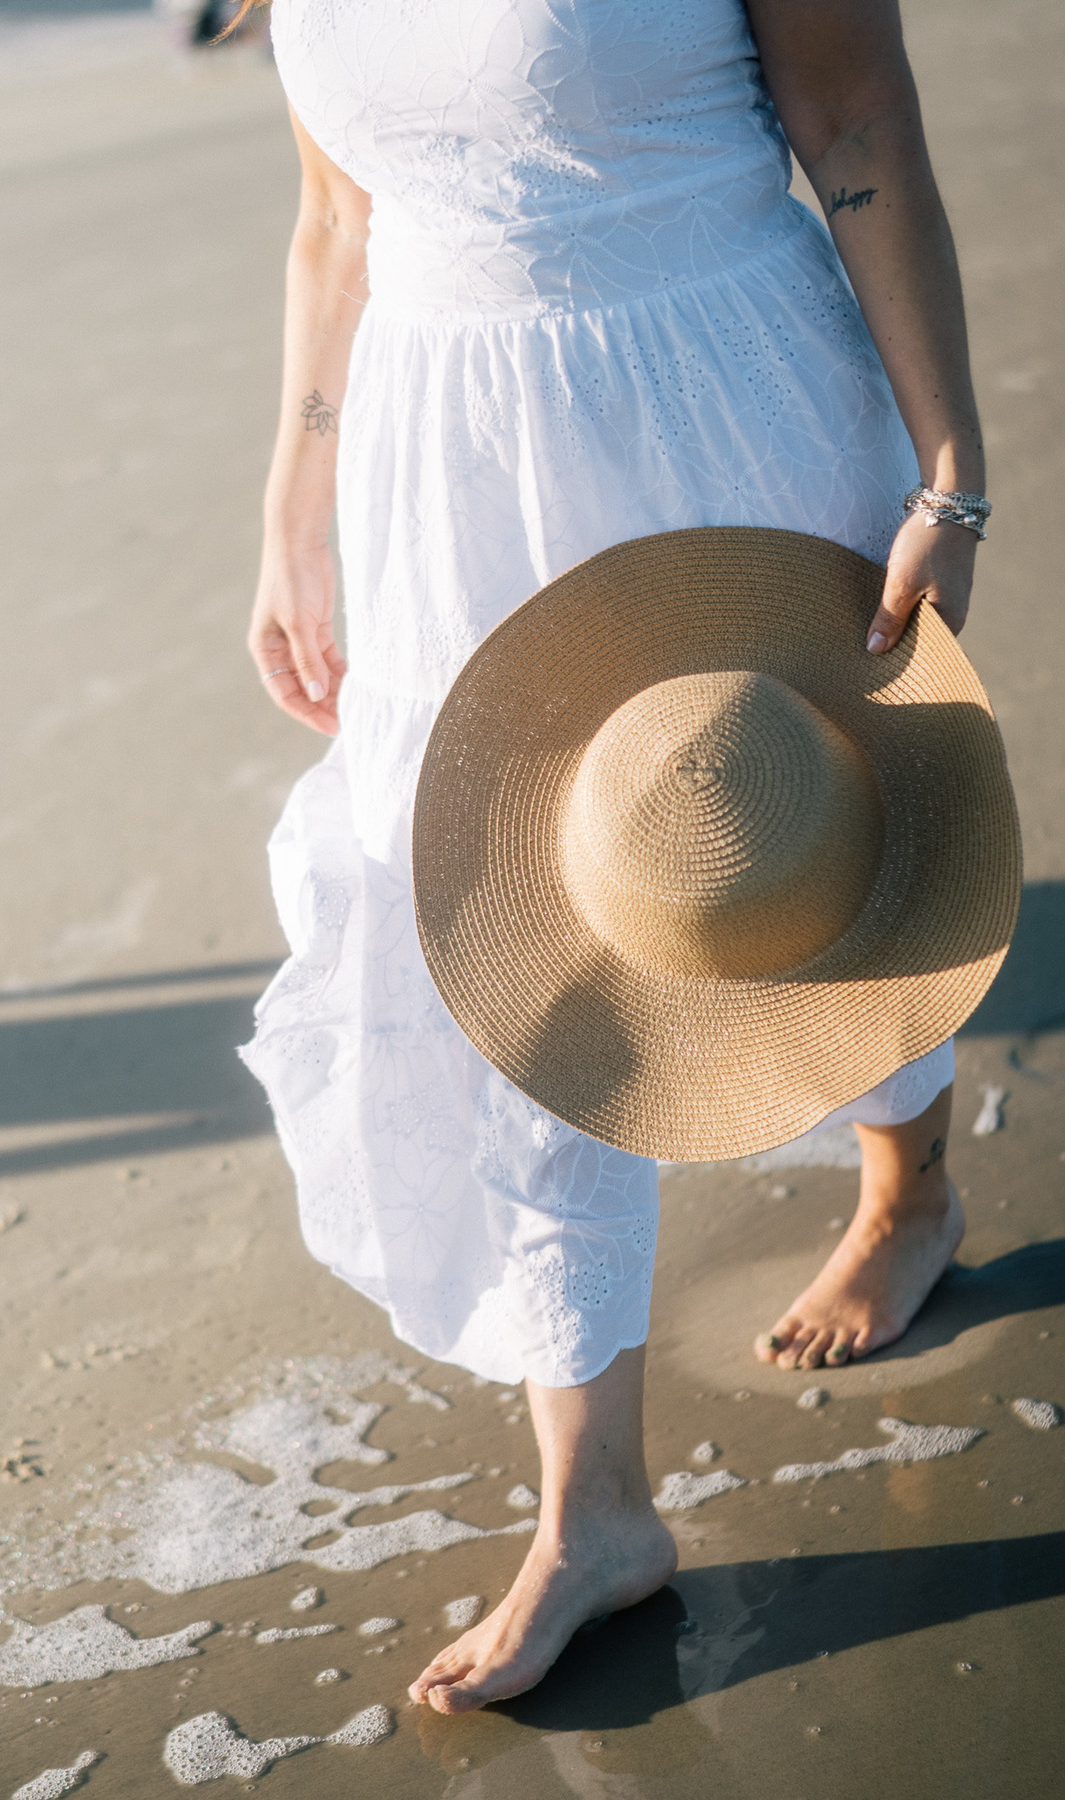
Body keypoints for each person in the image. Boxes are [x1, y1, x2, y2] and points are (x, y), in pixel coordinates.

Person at [239, 0, 986, 1713]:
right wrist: (294, 502)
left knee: (800, 866)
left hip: (718, 400)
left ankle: (912, 1181)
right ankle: (598, 1511)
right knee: (509, 946)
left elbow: (858, 128)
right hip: (440, 460)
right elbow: (338, 211)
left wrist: (951, 471)